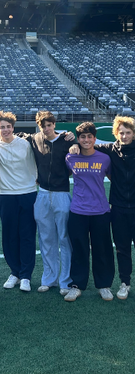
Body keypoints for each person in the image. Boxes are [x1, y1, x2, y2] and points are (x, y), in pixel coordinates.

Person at [69, 116, 135, 300]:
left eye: (128, 132)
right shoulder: (106, 151)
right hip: (99, 209)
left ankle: (108, 284)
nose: (124, 136)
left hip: (105, 210)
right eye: (121, 132)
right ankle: (81, 284)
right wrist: (73, 143)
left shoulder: (108, 155)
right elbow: (83, 145)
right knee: (114, 249)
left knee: (105, 249)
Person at [18, 111, 75, 295]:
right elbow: (19, 136)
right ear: (39, 126)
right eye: (43, 126)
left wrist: (72, 137)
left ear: (54, 124)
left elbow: (77, 153)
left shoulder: (67, 140)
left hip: (62, 194)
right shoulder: (34, 139)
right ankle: (49, 279)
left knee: (64, 238)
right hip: (42, 194)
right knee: (46, 238)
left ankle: (65, 281)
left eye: (49, 125)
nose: (47, 128)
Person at [64, 122, 114, 302]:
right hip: (78, 211)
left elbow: (112, 179)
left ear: (94, 138)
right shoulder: (70, 157)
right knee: (79, 249)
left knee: (102, 249)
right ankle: (77, 285)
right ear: (78, 139)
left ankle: (104, 285)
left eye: (89, 136)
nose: (86, 140)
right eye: (82, 137)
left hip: (100, 211)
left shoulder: (104, 158)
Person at [0, 111, 38, 292]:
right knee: (10, 236)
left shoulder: (25, 144)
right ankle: (15, 272)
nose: (5, 130)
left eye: (8, 127)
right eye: (2, 127)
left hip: (27, 194)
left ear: (13, 128)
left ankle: (26, 276)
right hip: (6, 195)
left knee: (27, 235)